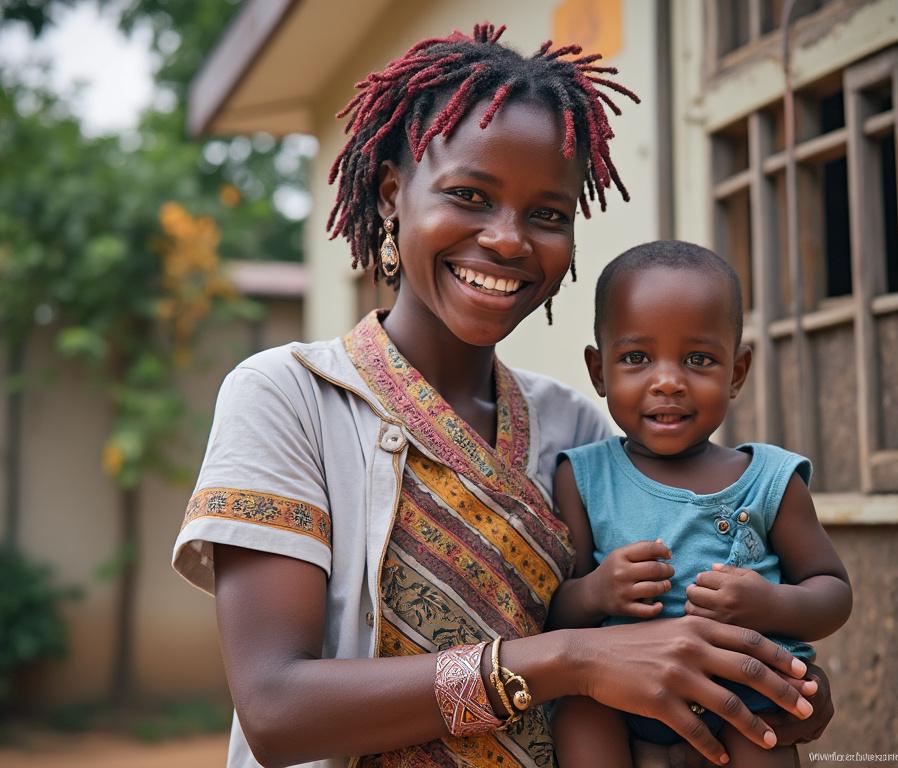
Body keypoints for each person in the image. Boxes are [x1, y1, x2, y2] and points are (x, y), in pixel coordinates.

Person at [171, 24, 834, 768]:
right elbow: (278, 712)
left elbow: (667, 656)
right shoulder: (289, 399)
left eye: (547, 215)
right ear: (392, 195)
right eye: (470, 196)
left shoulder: (582, 433)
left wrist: (768, 680)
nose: (510, 240)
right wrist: (568, 659)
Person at [547, 241, 853, 768]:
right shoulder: (582, 476)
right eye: (637, 358)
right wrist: (597, 591)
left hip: (744, 687)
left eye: (698, 359)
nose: (668, 381)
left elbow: (833, 593)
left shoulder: (771, 481)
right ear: (599, 371)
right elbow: (556, 612)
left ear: (736, 373)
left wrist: (768, 605)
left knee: (765, 729)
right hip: (620, 691)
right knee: (578, 710)